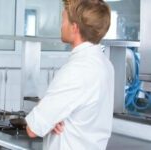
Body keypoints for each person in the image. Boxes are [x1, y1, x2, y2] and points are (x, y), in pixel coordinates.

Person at [25, 0, 114, 150]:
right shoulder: (105, 64)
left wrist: (47, 113)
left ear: (74, 28)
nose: (61, 26)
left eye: (63, 20)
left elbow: (33, 128)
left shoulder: (76, 70)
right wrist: (51, 117)